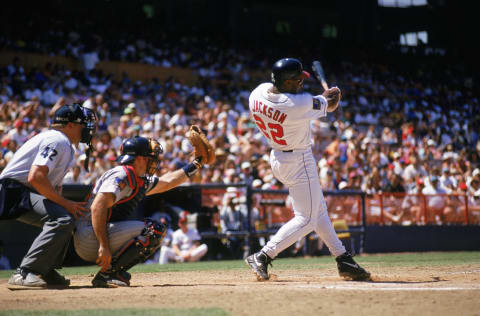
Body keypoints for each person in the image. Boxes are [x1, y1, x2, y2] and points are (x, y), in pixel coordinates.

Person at [245, 58, 370, 281]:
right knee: (307, 218)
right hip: (298, 160)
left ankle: (343, 259)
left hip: (278, 156)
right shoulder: (296, 105)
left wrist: (326, 99)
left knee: (318, 211)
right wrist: (334, 95)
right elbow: (330, 105)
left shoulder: (258, 92)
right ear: (285, 81)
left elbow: (317, 102)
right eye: (297, 80)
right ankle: (263, 255)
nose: (301, 83)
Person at [73, 135, 209, 287]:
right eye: (148, 157)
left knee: (154, 229)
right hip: (89, 235)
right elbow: (97, 207)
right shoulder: (122, 174)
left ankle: (112, 272)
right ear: (138, 159)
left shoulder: (136, 177)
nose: (153, 161)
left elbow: (168, 181)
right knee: (153, 230)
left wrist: (196, 164)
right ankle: (108, 274)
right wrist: (103, 246)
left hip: (95, 233)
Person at [0, 104, 96, 287]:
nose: (87, 128)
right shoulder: (57, 140)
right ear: (69, 125)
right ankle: (25, 272)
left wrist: (65, 205)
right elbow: (35, 176)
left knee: (67, 218)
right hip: (11, 190)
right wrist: (66, 204)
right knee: (62, 218)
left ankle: (44, 270)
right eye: (83, 124)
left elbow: (50, 185)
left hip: (21, 190)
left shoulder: (64, 143)